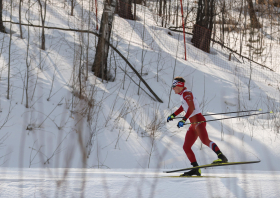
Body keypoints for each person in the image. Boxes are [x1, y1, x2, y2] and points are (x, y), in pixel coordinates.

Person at [167, 77, 228, 176]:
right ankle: (196, 168)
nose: (173, 88)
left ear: (179, 85)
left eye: (174, 86)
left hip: (198, 121)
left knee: (205, 140)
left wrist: (183, 119)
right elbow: (184, 106)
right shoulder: (183, 95)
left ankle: (222, 157)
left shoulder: (187, 93)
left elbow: (191, 107)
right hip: (193, 124)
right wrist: (173, 115)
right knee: (186, 147)